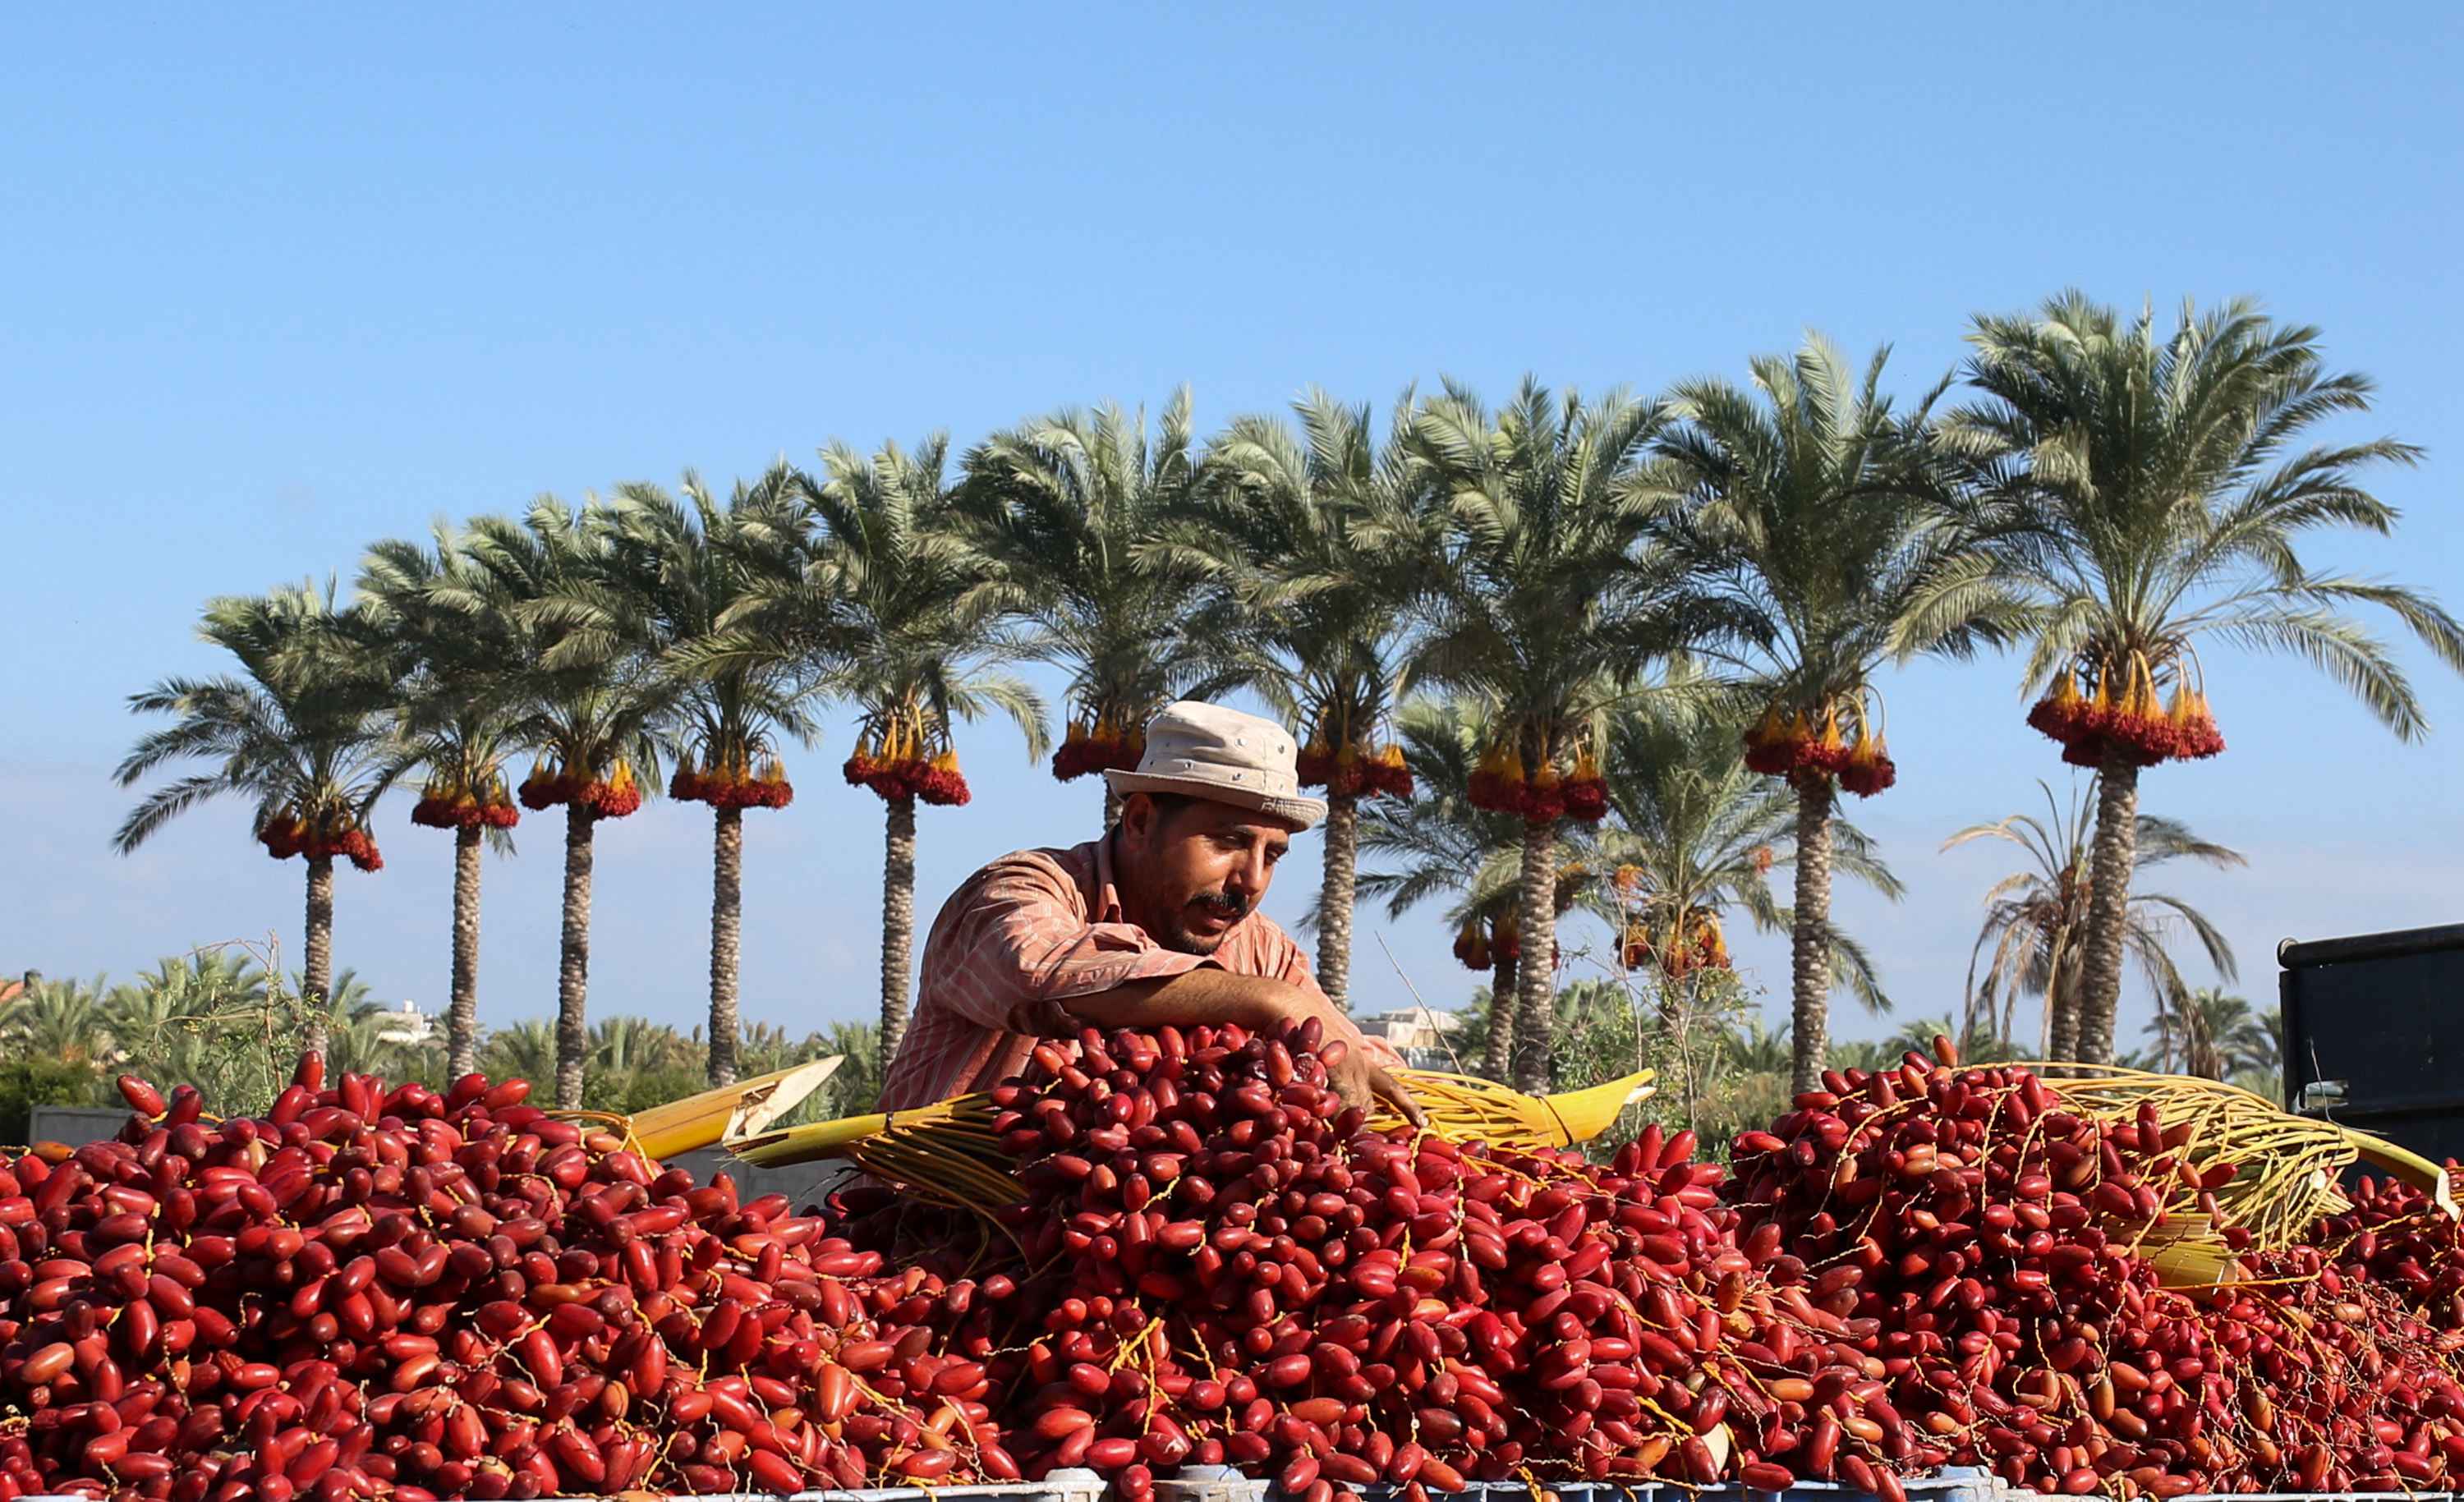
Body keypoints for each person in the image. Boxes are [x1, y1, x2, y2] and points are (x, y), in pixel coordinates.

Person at [877, 700, 1426, 1124]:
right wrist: (1271, 1000)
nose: (1252, 880)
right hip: (928, 1232)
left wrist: (1344, 1051)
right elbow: (1047, 975)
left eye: (1272, 855)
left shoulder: (1262, 950)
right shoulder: (1021, 891)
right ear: (1139, 821)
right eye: (1229, 841)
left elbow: (1357, 1064)